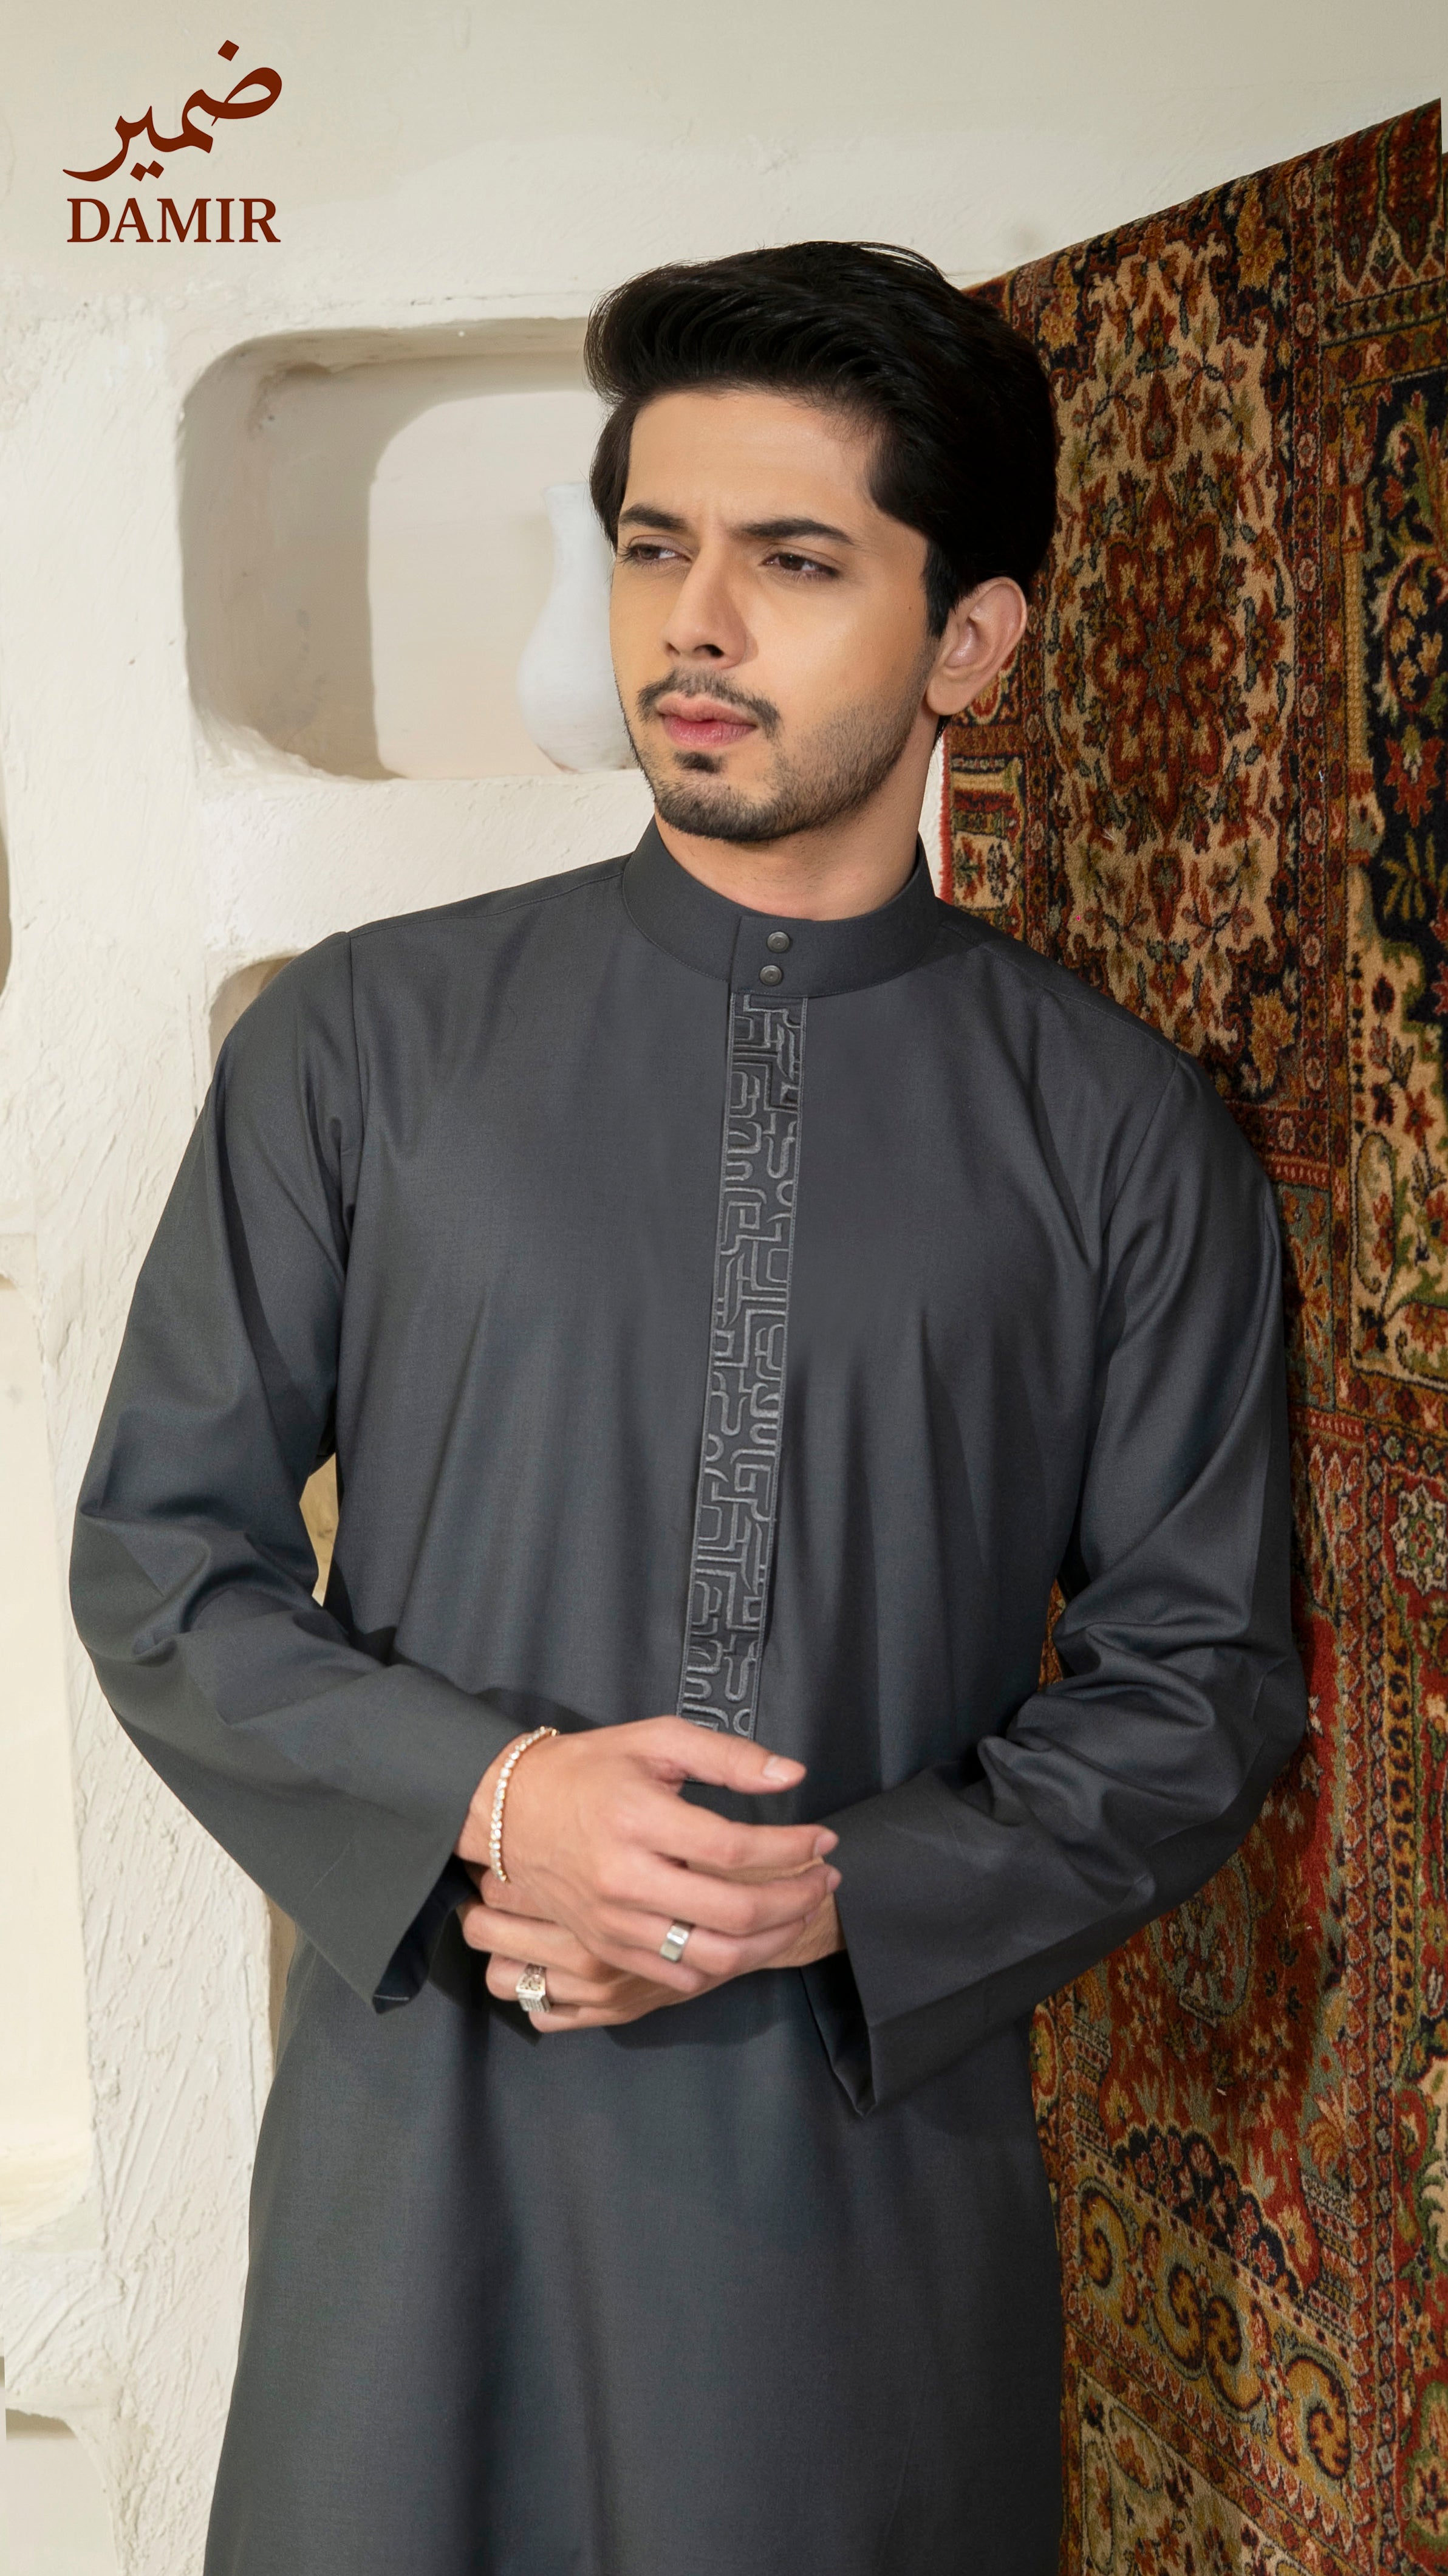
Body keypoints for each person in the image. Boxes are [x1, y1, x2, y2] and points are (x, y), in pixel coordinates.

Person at [70, 241, 1305, 2576]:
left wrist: (833, 1887)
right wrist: (497, 1797)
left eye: (794, 560)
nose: (693, 624)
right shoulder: (361, 1046)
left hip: (854, 2209)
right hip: (421, 2167)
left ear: (975, 644)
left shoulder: (1126, 1141)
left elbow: (1200, 1683)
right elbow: (161, 1560)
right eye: (653, 545)